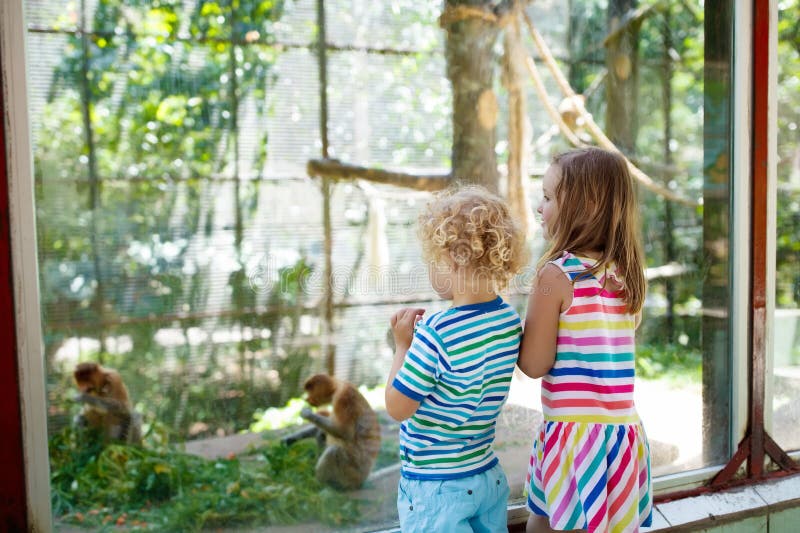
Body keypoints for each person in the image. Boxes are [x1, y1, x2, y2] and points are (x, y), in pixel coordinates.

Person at [517, 147, 652, 533]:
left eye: (547, 197)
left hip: (575, 439)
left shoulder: (556, 276)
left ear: (586, 205)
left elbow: (534, 364)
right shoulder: (626, 273)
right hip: (622, 436)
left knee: (544, 521)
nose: (539, 207)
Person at [385, 185, 528, 533]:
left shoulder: (436, 332)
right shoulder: (508, 320)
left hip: (437, 489)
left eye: (431, 261)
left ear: (452, 258)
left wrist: (402, 346)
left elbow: (397, 406)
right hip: (486, 476)